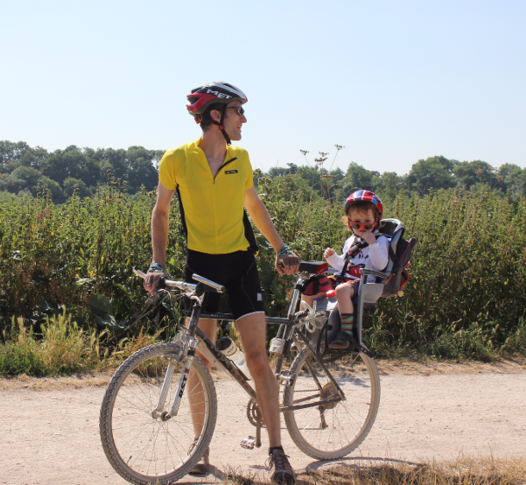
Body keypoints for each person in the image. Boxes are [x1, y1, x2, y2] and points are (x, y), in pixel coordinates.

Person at [144, 81, 299, 484]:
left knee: (258, 359)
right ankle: (201, 446)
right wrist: (157, 264)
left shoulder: (241, 157)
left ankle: (278, 452)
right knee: (199, 360)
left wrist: (281, 248)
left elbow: (253, 204)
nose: (244, 119)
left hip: (240, 264)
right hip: (201, 267)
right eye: (237, 111)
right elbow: (160, 213)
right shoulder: (177, 159)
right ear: (216, 116)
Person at [301, 190, 390, 349]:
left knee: (341, 290)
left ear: (376, 221)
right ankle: (305, 331)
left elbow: (381, 265)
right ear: (349, 223)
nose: (362, 227)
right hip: (345, 279)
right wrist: (333, 258)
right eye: (357, 223)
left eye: (367, 223)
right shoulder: (351, 241)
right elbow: (344, 266)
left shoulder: (380, 241)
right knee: (310, 287)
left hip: (364, 282)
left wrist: (373, 244)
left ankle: (347, 334)